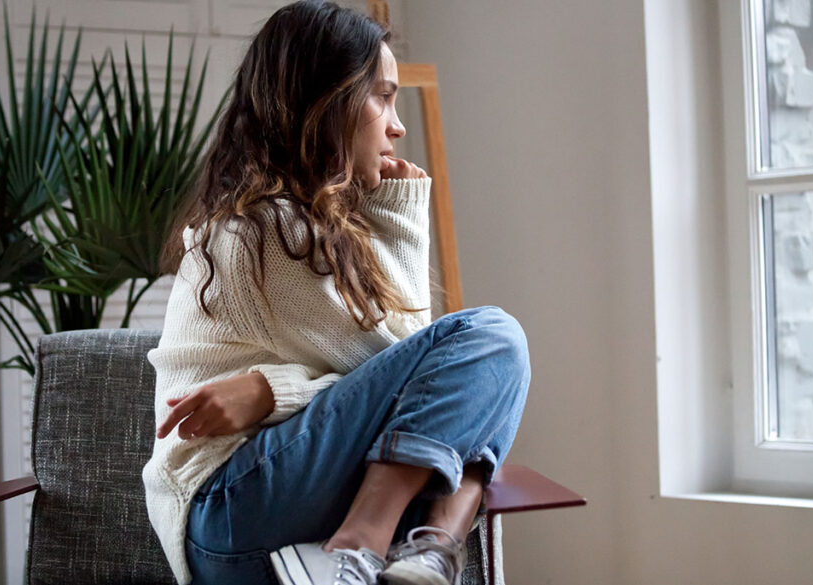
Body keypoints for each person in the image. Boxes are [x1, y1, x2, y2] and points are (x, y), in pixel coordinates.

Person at [143, 2, 530, 584]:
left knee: (476, 399)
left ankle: (429, 551)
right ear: (325, 102)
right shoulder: (265, 230)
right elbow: (412, 360)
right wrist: (402, 217)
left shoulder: (309, 226)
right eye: (382, 96)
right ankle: (365, 542)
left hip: (260, 509)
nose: (398, 126)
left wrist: (270, 391)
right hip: (230, 508)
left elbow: (417, 382)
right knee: (494, 340)